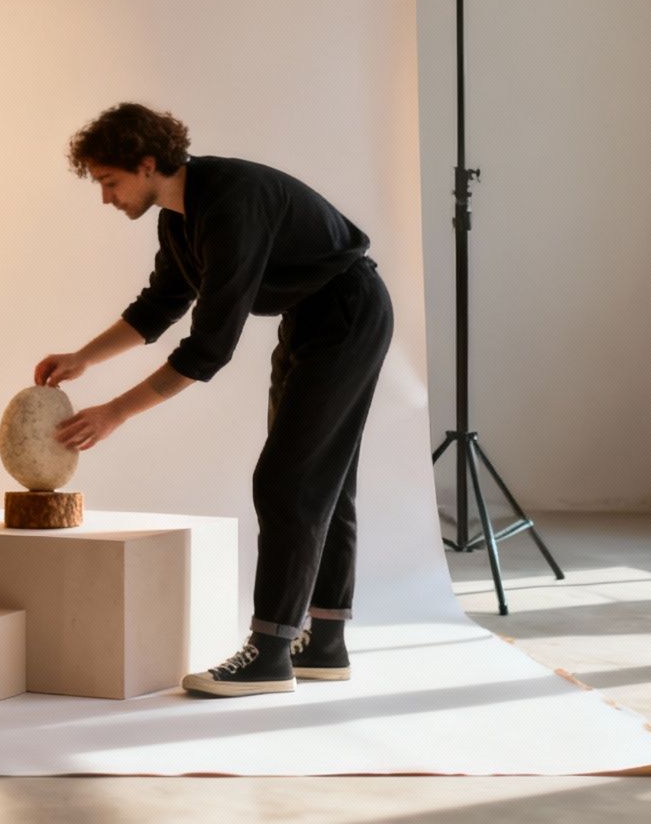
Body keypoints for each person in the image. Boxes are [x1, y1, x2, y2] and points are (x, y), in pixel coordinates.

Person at [35, 102, 393, 698]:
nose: (105, 198)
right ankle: (326, 644)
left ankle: (271, 653)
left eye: (109, 181)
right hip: (310, 319)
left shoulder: (229, 203)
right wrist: (84, 358)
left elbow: (210, 347)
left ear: (147, 164)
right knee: (321, 480)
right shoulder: (178, 216)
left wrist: (115, 412)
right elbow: (159, 305)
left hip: (348, 314)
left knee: (289, 482)